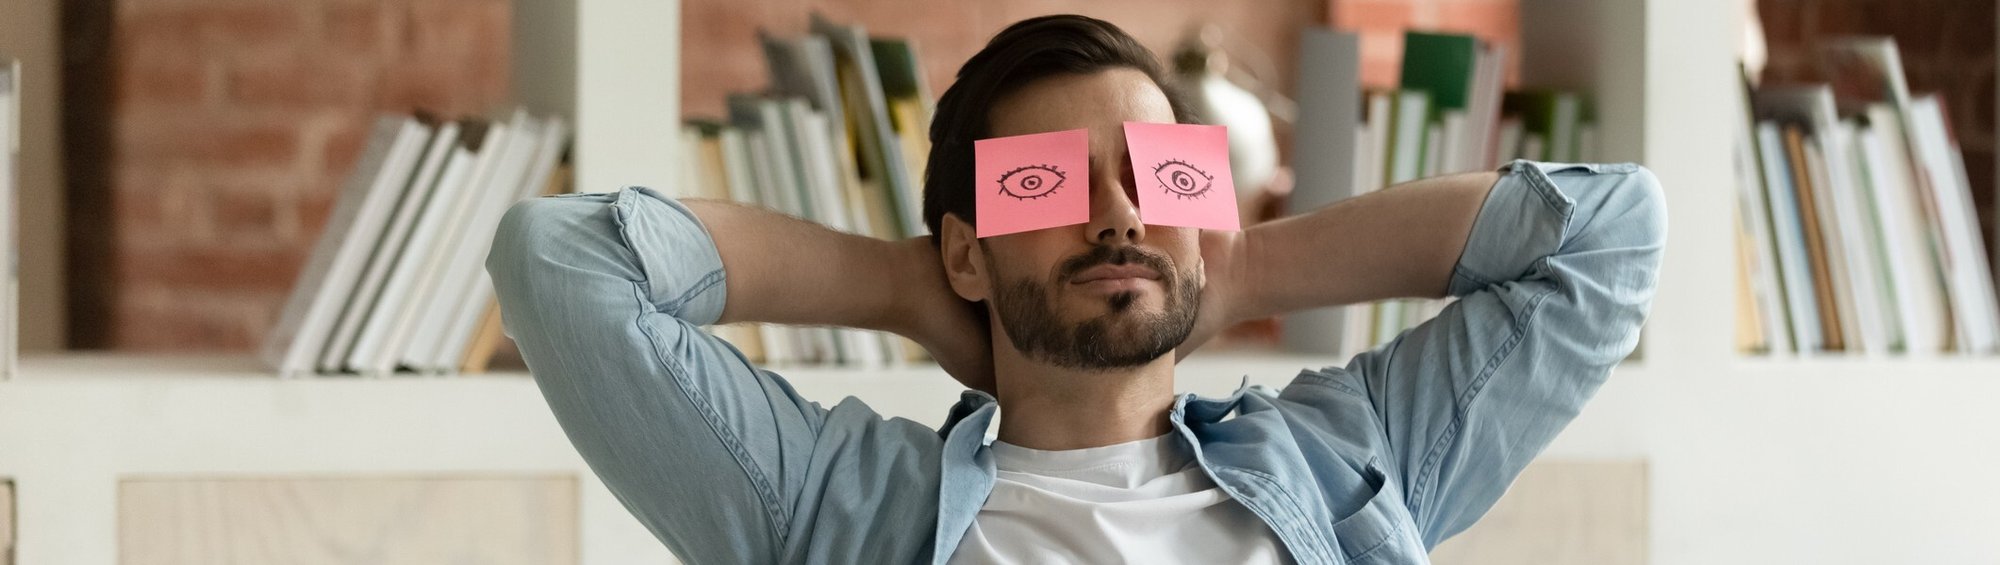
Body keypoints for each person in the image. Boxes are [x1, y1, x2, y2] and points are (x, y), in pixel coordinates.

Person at [486, 14, 1665, 565]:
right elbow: (563, 261)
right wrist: (910, 286)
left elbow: (1607, 235)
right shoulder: (829, 508)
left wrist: (1232, 261)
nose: (1112, 212)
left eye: (1151, 177)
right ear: (965, 248)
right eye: (1042, 185)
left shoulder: (1354, 460)